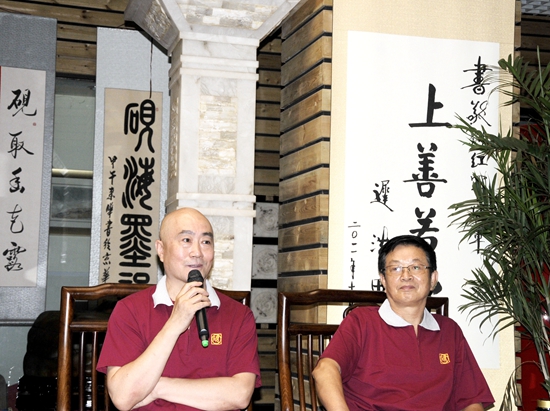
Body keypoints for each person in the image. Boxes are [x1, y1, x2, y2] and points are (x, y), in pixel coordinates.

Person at [97, 207, 261, 411]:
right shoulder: (129, 310)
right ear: (161, 250)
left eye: (206, 242)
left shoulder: (238, 315)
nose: (197, 252)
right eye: (186, 240)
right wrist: (175, 324)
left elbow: (240, 395)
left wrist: (157, 388)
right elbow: (123, 397)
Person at [311, 235, 494, 411]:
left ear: (433, 278)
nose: (406, 275)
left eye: (416, 267)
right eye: (396, 268)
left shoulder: (449, 330)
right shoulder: (361, 321)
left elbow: (472, 401)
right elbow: (325, 370)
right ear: (383, 280)